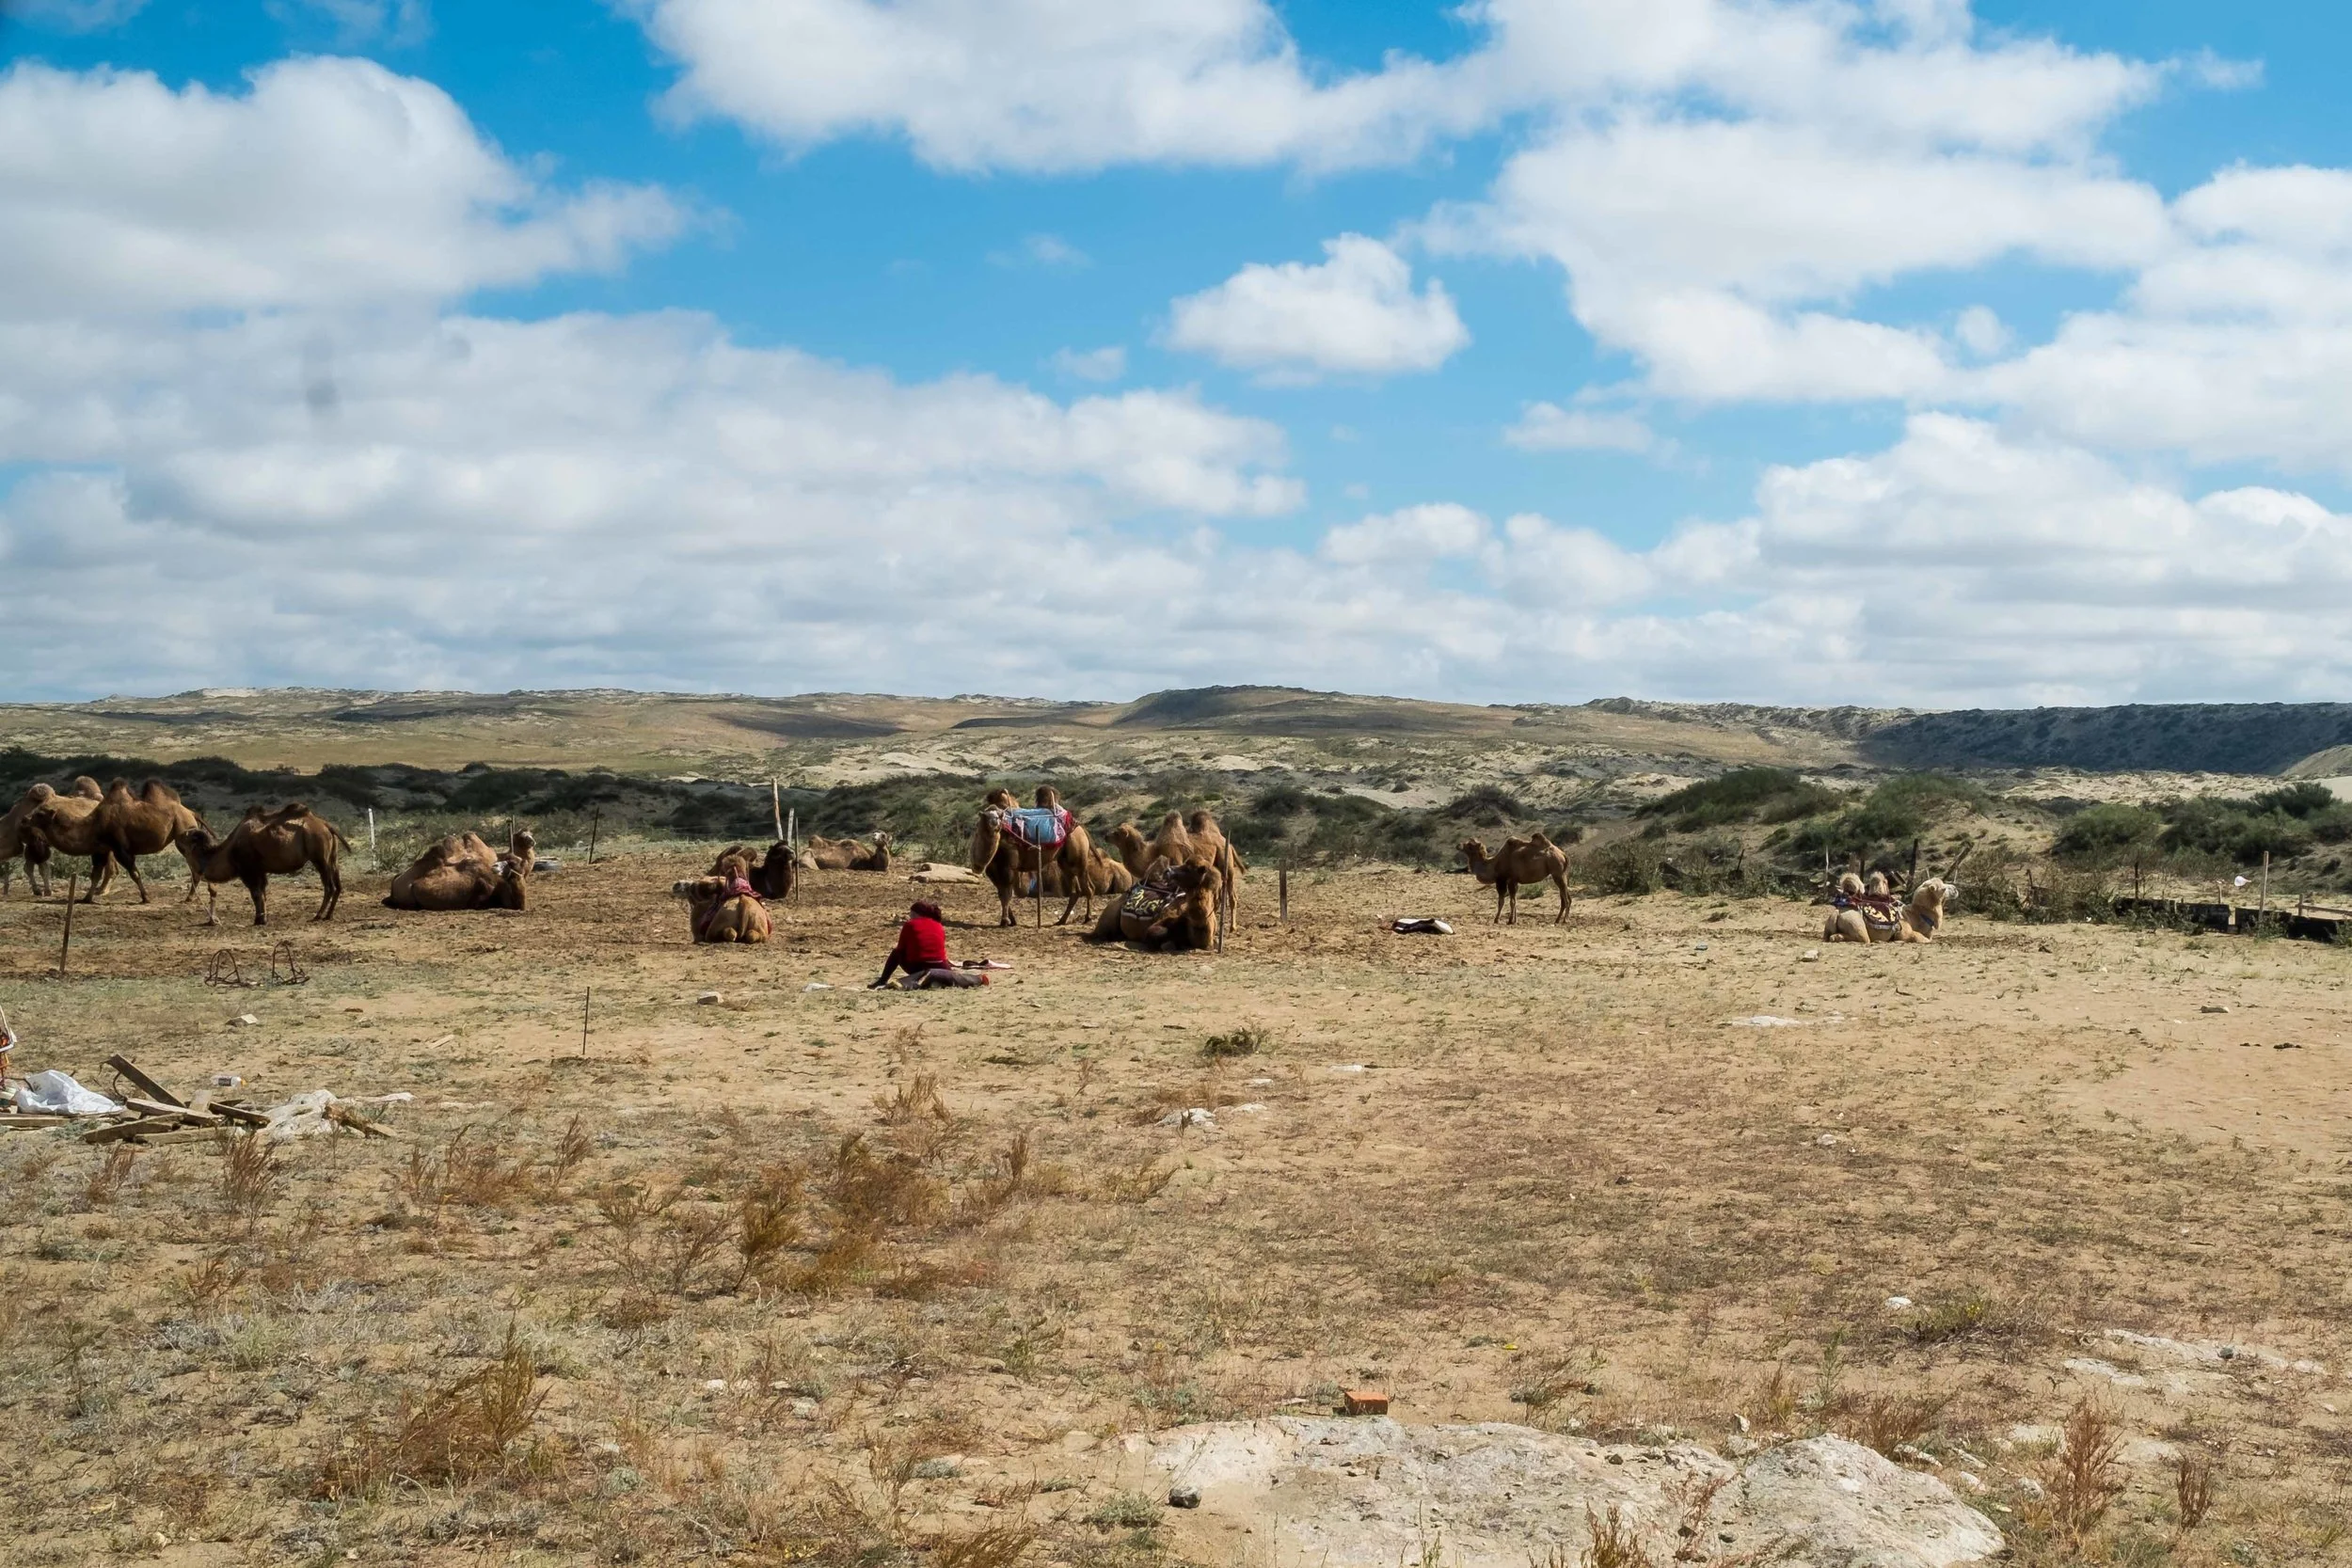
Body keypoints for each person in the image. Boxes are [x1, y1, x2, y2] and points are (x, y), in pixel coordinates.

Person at [871, 899, 987, 989]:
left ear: (917, 913)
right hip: (942, 966)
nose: (910, 916)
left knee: (896, 952)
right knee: (948, 975)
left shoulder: (910, 925)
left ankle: (882, 980)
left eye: (911, 913)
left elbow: (901, 949)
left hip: (918, 966)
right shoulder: (939, 925)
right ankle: (938, 980)